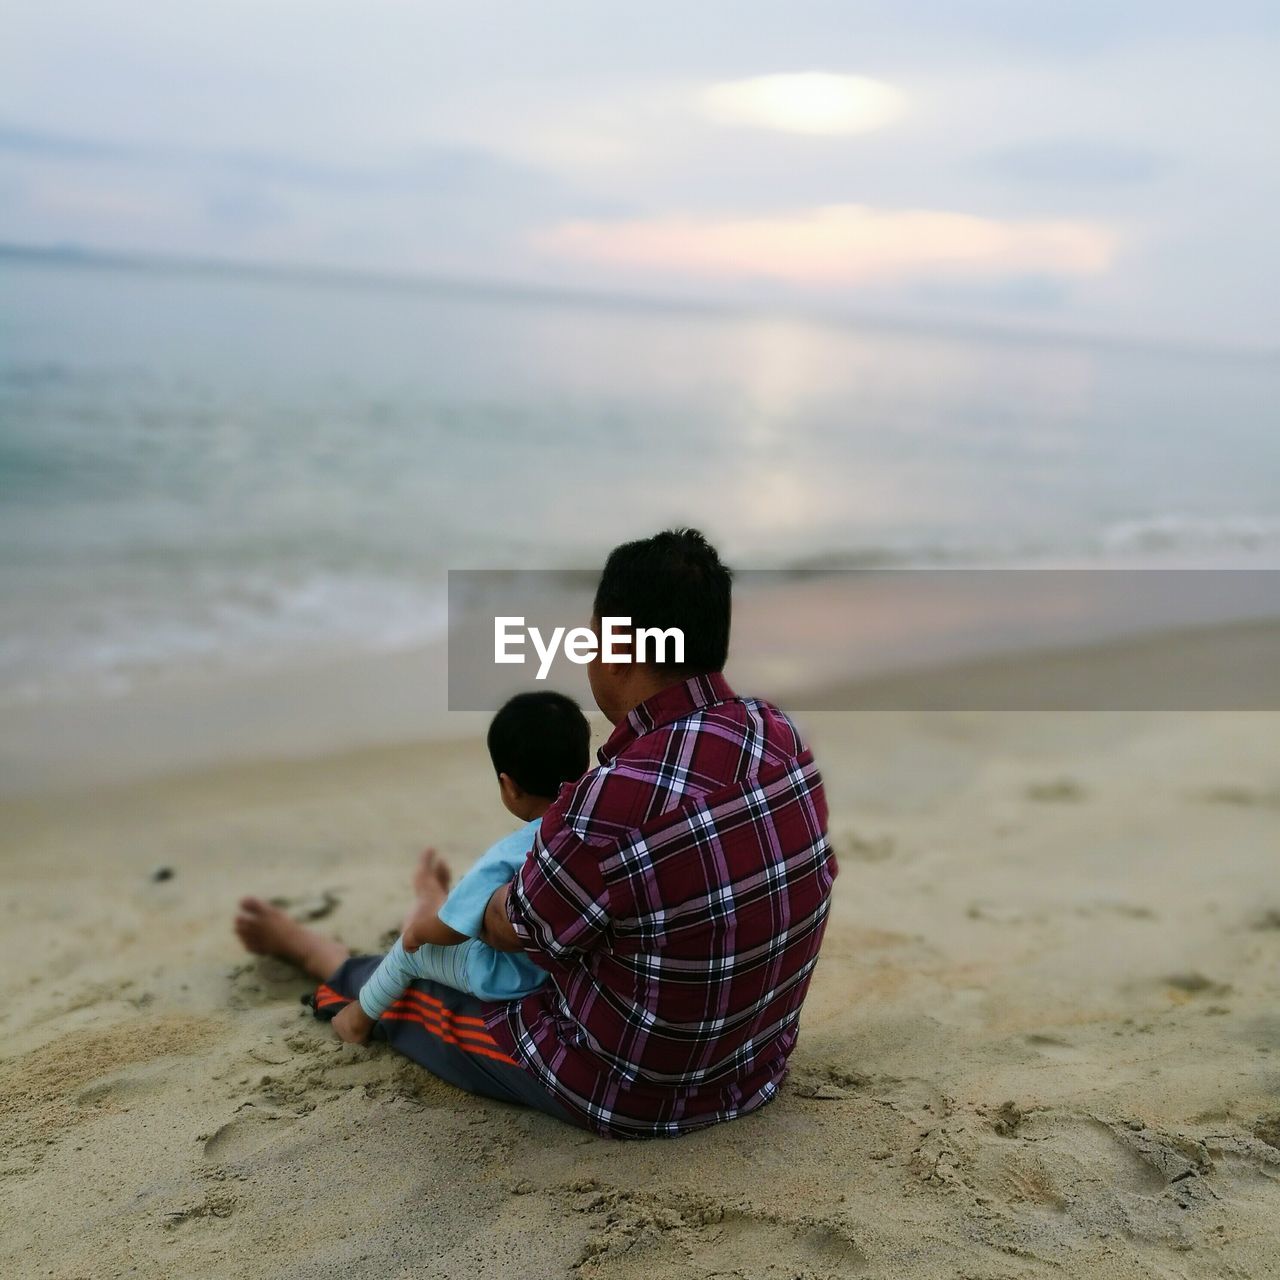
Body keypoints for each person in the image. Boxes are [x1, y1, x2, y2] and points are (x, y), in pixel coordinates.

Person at [235, 529, 837, 1139]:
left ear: (621, 643)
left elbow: (508, 930)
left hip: (627, 1087)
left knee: (417, 986)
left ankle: (321, 957)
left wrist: (476, 895)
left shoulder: (613, 800)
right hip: (752, 1063)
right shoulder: (779, 737)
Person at [327, 691, 590, 1044]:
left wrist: (418, 934)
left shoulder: (507, 854)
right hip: (553, 971)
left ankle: (357, 1021)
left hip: (503, 975)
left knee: (409, 954)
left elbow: (454, 927)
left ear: (508, 786)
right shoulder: (586, 829)